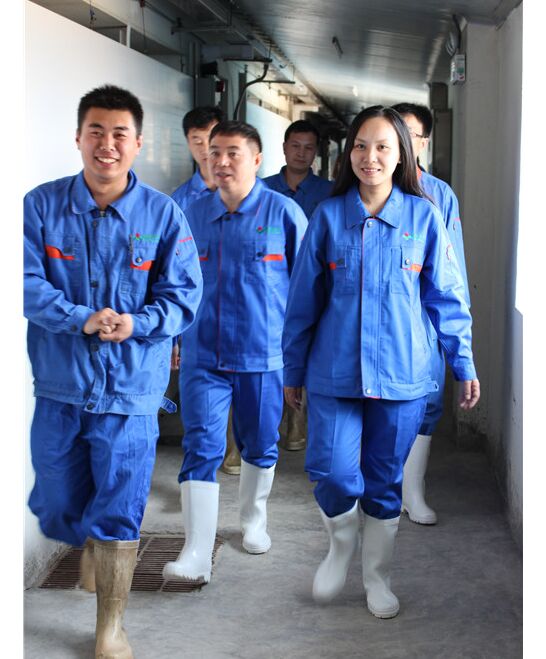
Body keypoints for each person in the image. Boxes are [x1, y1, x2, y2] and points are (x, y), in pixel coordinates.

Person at [24, 84, 203, 657]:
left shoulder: (162, 214)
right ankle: (88, 545)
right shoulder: (40, 206)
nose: (107, 144)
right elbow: (22, 281)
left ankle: (110, 627)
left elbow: (184, 295)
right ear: (78, 138)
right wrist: (78, 317)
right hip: (61, 386)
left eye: (119, 134)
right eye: (96, 132)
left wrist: (138, 323)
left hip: (131, 390)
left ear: (138, 144)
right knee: (56, 502)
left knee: (121, 506)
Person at [282, 106, 479, 619]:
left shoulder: (424, 217)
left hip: (402, 373)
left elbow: (447, 298)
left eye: (383, 147)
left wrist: (463, 363)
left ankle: (377, 578)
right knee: (332, 473)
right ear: (349, 153)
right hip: (335, 373)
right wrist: (292, 370)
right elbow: (302, 302)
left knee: (384, 479)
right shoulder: (328, 216)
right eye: (361, 146)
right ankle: (341, 544)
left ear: (401, 156)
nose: (370, 156)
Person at [162, 121, 307, 584]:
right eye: (215, 152)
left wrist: (301, 359)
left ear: (257, 160)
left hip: (263, 355)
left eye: (233, 153)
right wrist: (173, 339)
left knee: (259, 443)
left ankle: (253, 520)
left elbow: (307, 292)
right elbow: (172, 284)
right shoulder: (189, 214)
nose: (221, 162)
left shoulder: (284, 213)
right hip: (203, 354)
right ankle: (196, 551)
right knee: (201, 445)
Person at [392, 102, 470, 525]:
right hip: (379, 320)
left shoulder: (439, 195)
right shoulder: (366, 189)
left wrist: (459, 345)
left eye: (411, 134)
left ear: (423, 142)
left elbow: (453, 273)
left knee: (426, 405)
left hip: (424, 322)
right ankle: (380, 493)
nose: (403, 142)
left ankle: (412, 491)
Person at [171, 105, 241, 476]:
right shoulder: (180, 201)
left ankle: (236, 448)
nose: (204, 149)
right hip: (199, 313)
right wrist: (174, 337)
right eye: (196, 141)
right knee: (204, 397)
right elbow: (170, 271)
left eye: (210, 140)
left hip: (242, 311)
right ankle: (208, 460)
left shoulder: (248, 194)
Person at [264, 119, 333, 451]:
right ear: (284, 148)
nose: (301, 153)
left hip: (312, 287)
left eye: (308, 147)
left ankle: (297, 421)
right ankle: (273, 418)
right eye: (295, 146)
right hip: (271, 289)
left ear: (315, 152)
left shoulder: (329, 193)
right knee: (271, 354)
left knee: (306, 348)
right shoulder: (262, 190)